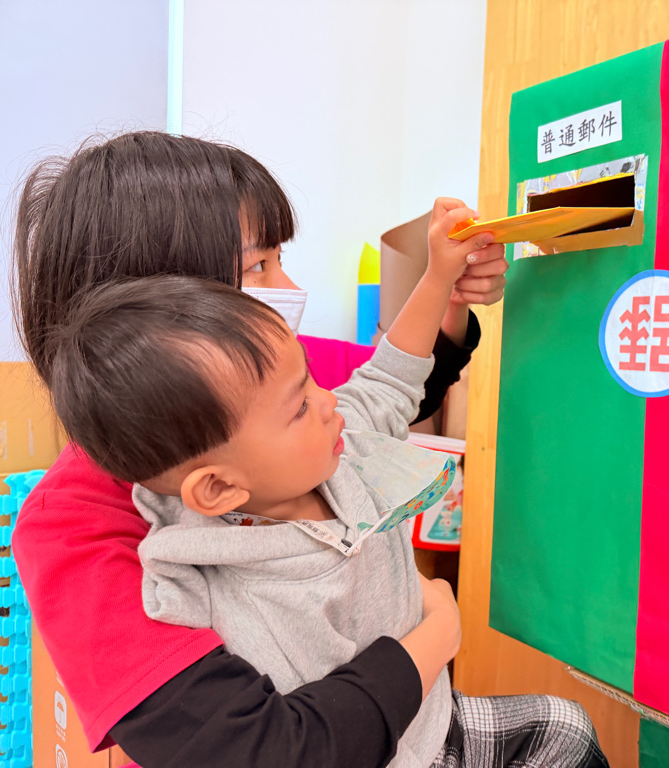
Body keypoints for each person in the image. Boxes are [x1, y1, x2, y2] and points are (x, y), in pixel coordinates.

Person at [42, 197, 608, 768]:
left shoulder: (311, 441)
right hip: (374, 753)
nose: (330, 400)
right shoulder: (198, 581)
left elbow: (390, 378)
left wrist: (440, 278)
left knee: (567, 728)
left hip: (432, 718)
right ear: (216, 489)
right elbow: (271, 748)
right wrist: (440, 629)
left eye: (312, 379)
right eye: (257, 266)